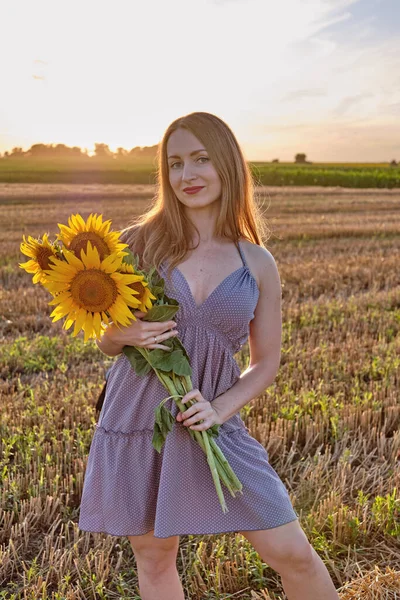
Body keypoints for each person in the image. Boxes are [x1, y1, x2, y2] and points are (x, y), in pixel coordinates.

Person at [78, 112, 339, 600]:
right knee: (155, 557)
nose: (187, 176)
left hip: (213, 421)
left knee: (292, 554)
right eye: (174, 164)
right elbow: (105, 341)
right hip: (140, 416)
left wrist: (219, 408)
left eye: (200, 159)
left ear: (227, 165)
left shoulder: (256, 262)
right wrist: (123, 334)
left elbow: (266, 362)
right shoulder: (138, 243)